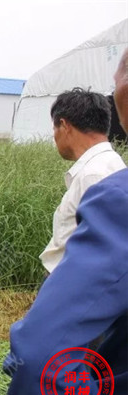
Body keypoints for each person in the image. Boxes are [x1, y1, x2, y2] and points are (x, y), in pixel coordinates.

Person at [3, 49, 128, 395]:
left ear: (63, 126)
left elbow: (46, 357)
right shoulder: (102, 171)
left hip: (86, 314)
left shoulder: (103, 183)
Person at [39, 88, 125, 274]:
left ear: (64, 125)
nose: (54, 136)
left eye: (54, 128)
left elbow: (102, 250)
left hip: (69, 283)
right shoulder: (110, 164)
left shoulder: (94, 175)